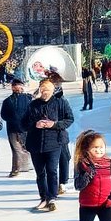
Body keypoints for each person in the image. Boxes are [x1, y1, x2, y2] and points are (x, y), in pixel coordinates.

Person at [25, 78, 75, 211]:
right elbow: (23, 123)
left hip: (55, 142)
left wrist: (55, 124)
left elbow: (69, 119)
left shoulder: (60, 103)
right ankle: (43, 197)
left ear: (52, 90)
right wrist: (35, 125)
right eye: (42, 90)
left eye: (47, 90)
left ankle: (52, 197)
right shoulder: (33, 105)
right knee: (40, 173)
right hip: (35, 143)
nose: (44, 92)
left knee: (52, 170)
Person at [0, 79, 34, 178]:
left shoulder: (28, 98)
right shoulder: (7, 101)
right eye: (14, 85)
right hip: (12, 128)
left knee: (27, 147)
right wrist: (12, 119)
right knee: (15, 149)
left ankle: (27, 165)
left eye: (18, 85)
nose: (16, 87)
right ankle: (15, 169)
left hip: (26, 128)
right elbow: (3, 115)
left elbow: (32, 112)